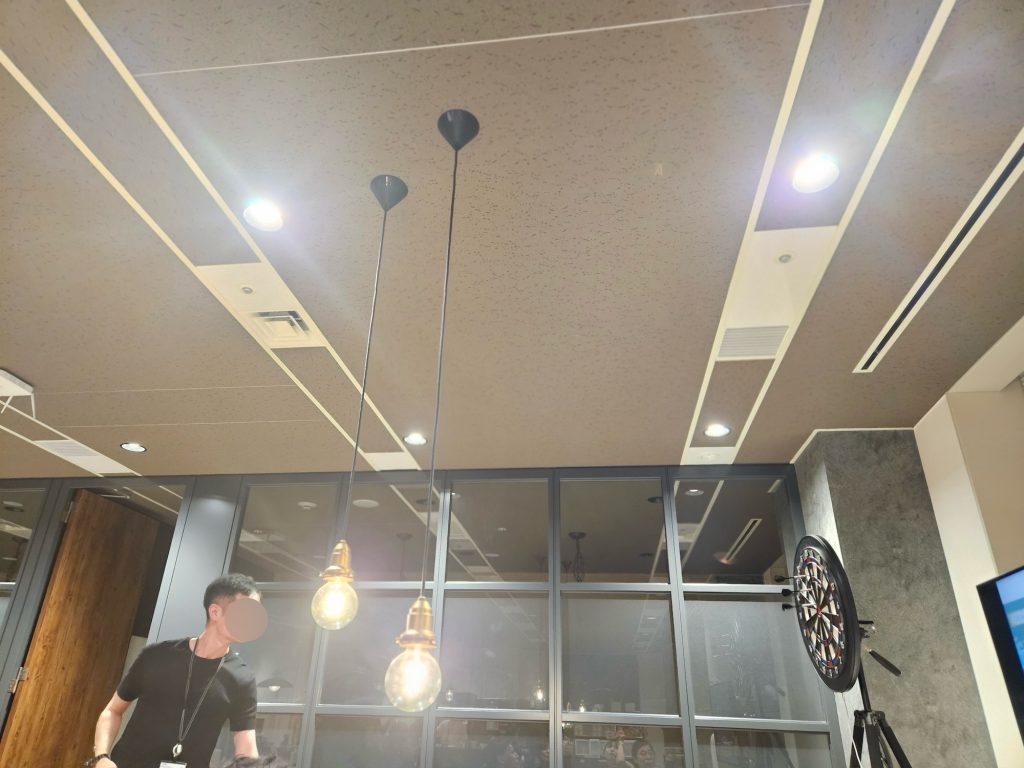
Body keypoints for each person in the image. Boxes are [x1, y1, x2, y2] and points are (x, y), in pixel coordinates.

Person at [88, 574, 265, 768]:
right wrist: (101, 757)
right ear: (215, 611)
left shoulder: (242, 678)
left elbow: (247, 749)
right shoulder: (156, 655)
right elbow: (113, 710)